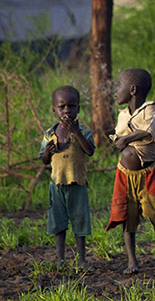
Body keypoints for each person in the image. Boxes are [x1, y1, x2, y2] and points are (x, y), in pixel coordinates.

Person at [106, 68, 155, 274]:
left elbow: (150, 132)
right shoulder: (123, 114)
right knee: (129, 217)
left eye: (119, 86)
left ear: (132, 90)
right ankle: (132, 261)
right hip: (126, 174)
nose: (116, 91)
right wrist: (119, 139)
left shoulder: (150, 109)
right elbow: (118, 137)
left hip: (148, 174)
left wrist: (126, 139)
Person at [39, 85, 95, 268]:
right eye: (62, 106)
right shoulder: (49, 134)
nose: (66, 111)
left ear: (78, 108)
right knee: (59, 223)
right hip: (57, 185)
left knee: (80, 222)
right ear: (54, 109)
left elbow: (90, 151)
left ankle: (82, 259)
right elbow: (44, 160)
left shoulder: (84, 130)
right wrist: (47, 152)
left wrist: (76, 133)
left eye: (71, 106)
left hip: (77, 184)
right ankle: (60, 259)